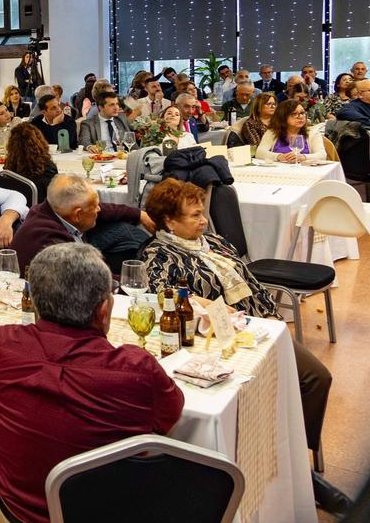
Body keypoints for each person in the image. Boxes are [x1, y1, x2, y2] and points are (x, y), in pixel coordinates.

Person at [138, 179, 347, 513]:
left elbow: (248, 279)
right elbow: (161, 296)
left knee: (316, 377)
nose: (203, 220)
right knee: (262, 390)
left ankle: (295, 461)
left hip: (260, 328)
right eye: (194, 216)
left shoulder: (214, 241)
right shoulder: (158, 255)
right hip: (216, 341)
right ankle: (304, 478)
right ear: (168, 221)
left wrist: (269, 318)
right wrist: (204, 304)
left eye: (203, 212)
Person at [0, 243, 184, 523]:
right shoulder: (135, 368)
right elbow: (170, 419)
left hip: (13, 512)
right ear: (104, 311)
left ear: (37, 302)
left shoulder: (4, 343)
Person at [11, 174, 153, 274]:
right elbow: (89, 282)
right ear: (77, 214)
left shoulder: (54, 208)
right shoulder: (51, 242)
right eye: (95, 206)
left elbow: (105, 210)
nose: (99, 209)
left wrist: (140, 214)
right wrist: (134, 281)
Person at [2, 121, 58, 203]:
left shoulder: (9, 169)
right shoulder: (48, 170)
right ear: (39, 142)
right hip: (39, 212)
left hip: (15, 209)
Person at [257, 98, 326, 163]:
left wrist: (304, 157)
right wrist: (279, 156)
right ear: (283, 117)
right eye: (294, 114)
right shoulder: (272, 132)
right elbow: (259, 153)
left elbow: (322, 155)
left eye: (302, 113)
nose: (300, 117)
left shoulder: (312, 132)